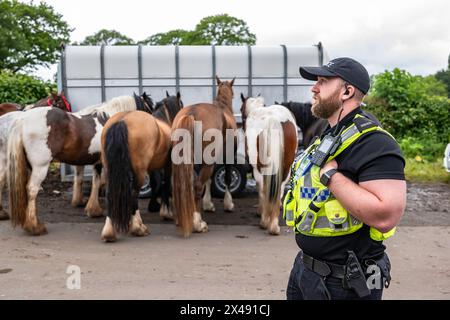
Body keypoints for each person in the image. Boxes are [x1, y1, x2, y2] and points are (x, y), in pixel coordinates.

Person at [283, 57, 406, 300]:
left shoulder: (375, 143)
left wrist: (331, 176)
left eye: (323, 81)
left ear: (347, 91)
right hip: (306, 272)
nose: (313, 88)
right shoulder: (330, 135)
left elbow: (386, 215)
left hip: (345, 283)